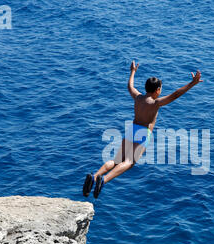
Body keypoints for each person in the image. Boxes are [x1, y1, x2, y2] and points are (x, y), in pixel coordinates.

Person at [83, 61, 203, 198]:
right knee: (129, 162)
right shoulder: (156, 103)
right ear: (157, 90)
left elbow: (130, 86)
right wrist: (192, 84)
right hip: (143, 132)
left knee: (117, 160)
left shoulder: (138, 97)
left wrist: (133, 71)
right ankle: (103, 180)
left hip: (132, 129)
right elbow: (175, 95)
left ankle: (95, 176)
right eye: (161, 88)